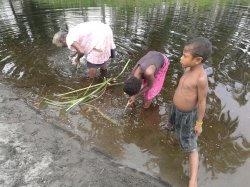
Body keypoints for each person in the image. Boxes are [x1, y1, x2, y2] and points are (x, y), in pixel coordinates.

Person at [167, 37, 212, 187]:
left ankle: (193, 178)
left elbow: (202, 102)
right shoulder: (188, 68)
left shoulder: (201, 79)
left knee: (191, 146)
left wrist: (199, 123)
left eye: (185, 56)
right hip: (175, 110)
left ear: (198, 59)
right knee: (175, 127)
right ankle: (176, 140)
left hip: (187, 116)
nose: (181, 58)